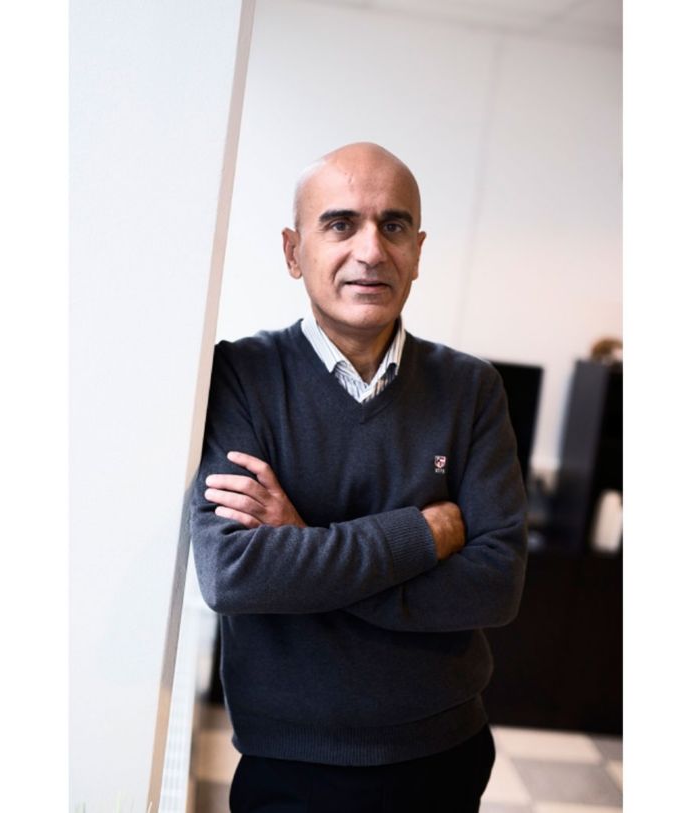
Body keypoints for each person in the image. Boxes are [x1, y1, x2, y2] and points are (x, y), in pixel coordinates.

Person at [189, 142, 528, 813]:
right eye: (340, 224)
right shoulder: (238, 377)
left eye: (393, 225)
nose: (371, 251)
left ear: (418, 252)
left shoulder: (471, 389)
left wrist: (303, 543)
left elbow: (496, 585)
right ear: (294, 251)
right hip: (290, 764)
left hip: (445, 755)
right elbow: (234, 574)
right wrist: (422, 536)